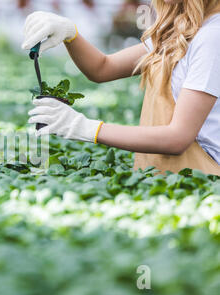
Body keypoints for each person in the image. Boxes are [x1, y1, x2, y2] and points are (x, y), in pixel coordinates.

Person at [23, 0, 220, 175]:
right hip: (171, 176)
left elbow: (178, 137)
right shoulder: (180, 31)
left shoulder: (212, 37)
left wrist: (85, 128)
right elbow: (102, 68)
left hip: (202, 176)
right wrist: (70, 33)